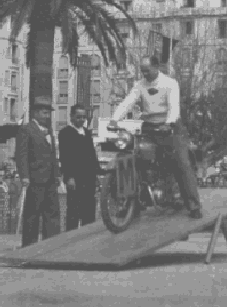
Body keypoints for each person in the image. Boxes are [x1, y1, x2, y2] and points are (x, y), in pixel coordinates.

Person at [109, 55, 202, 219]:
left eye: (147, 70)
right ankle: (129, 204)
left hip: (171, 127)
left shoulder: (170, 83)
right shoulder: (139, 85)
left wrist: (169, 123)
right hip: (149, 127)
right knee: (130, 157)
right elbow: (127, 102)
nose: (144, 74)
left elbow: (174, 107)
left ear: (156, 67)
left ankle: (193, 206)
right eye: (142, 71)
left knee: (181, 163)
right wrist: (114, 119)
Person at [15, 95, 61, 247]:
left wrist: (57, 175)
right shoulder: (26, 130)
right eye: (44, 112)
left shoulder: (49, 131)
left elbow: (53, 156)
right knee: (32, 214)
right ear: (35, 113)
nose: (47, 115)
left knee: (52, 213)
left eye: (48, 113)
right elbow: (21, 155)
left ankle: (51, 244)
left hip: (50, 180)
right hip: (34, 179)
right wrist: (24, 176)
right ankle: (29, 245)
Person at [58, 103, 101, 231]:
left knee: (89, 210)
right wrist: (69, 177)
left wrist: (96, 174)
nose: (81, 120)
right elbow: (65, 157)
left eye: (83, 117)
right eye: (78, 117)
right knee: (74, 211)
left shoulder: (87, 133)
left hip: (88, 178)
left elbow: (92, 154)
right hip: (75, 179)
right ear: (71, 117)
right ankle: (70, 239)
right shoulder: (65, 133)